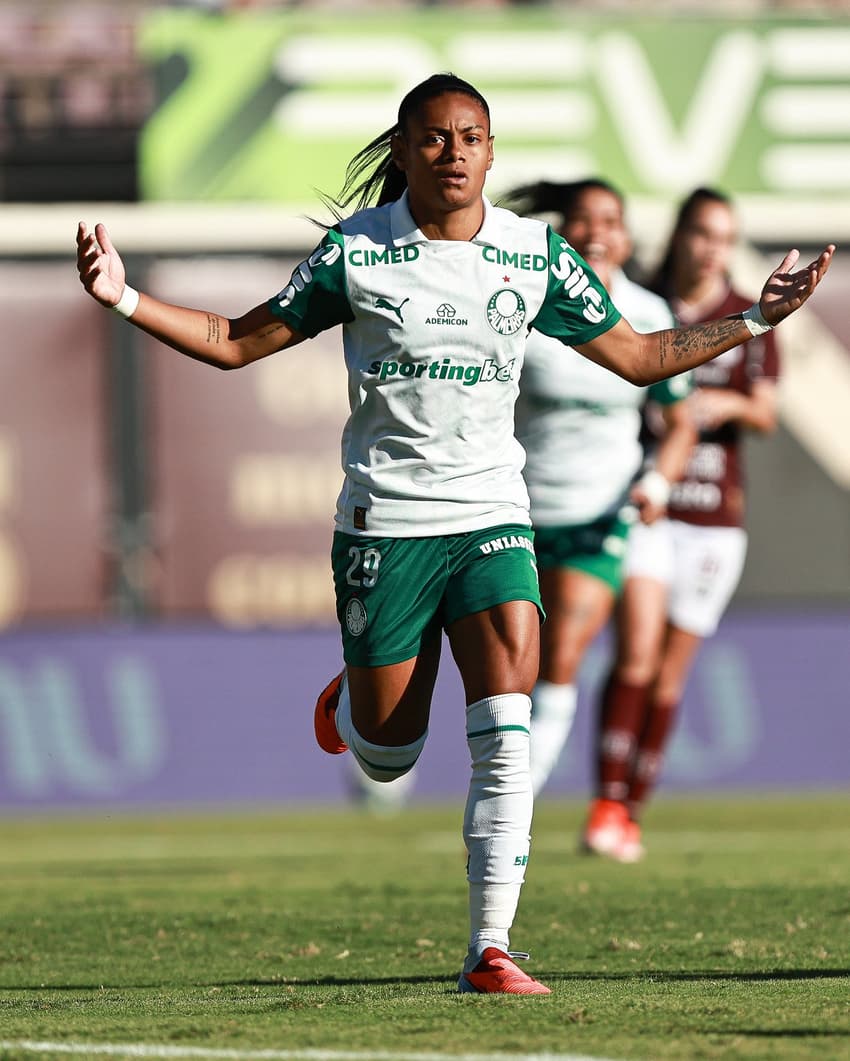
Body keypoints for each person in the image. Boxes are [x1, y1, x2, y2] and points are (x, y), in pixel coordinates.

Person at [76, 74, 833, 995]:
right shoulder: (357, 253)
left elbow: (638, 356)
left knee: (507, 728)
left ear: (490, 149)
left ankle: (491, 945)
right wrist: (122, 297)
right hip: (385, 523)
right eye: (433, 137)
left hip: (492, 518)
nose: (454, 152)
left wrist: (754, 318)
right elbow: (237, 340)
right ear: (401, 149)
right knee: (389, 756)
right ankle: (355, 709)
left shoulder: (533, 255)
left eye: (471, 136)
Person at [583, 187, 784, 864]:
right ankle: (605, 803)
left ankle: (631, 809)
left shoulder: (747, 316)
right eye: (701, 232)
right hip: (649, 500)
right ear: (679, 234)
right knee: (634, 650)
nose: (710, 248)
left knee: (668, 674)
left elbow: (765, 412)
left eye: (723, 237)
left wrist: (719, 401)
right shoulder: (643, 300)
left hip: (715, 517)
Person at [504, 178, 696, 800]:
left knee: (561, 655)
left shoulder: (650, 315)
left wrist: (660, 479)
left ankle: (516, 803)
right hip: (514, 508)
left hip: (599, 514)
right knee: (500, 664)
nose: (597, 232)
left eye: (610, 220)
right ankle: (382, 745)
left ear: (627, 236)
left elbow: (680, 422)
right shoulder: (523, 306)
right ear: (563, 233)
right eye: (583, 220)